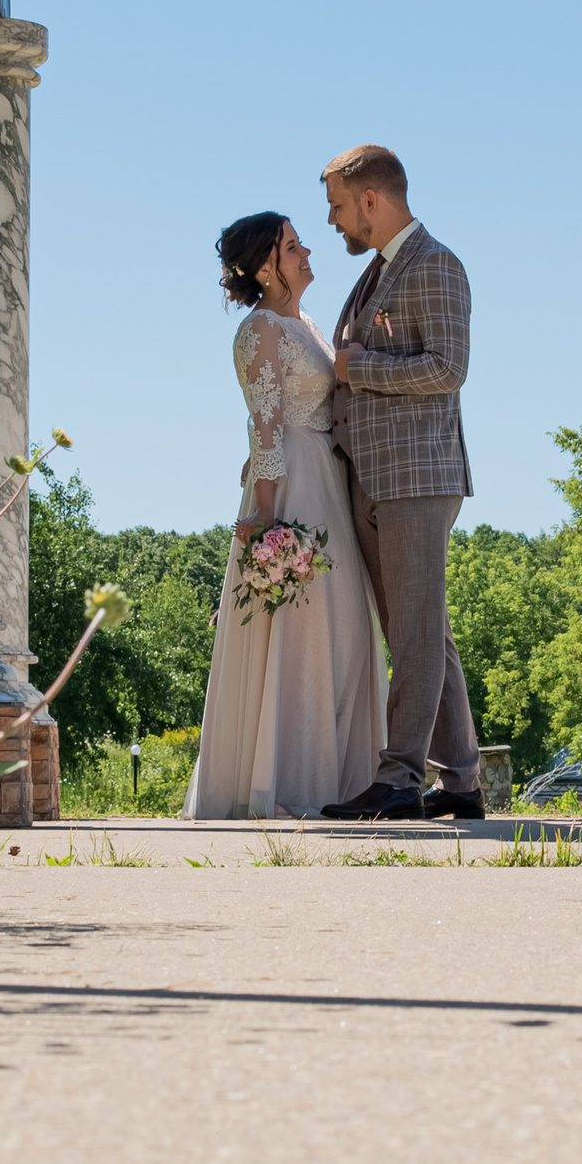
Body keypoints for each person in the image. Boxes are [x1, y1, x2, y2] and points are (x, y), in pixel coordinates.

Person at [184, 213, 387, 819]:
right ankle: (292, 784)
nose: (306, 252)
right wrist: (269, 516)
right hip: (293, 487)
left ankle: (344, 781)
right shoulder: (260, 330)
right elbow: (266, 424)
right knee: (302, 632)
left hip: (329, 481)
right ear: (267, 268)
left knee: (346, 632)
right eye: (293, 246)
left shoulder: (309, 326)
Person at [315, 144, 485, 820]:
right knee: (423, 634)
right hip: (377, 478)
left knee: (414, 636)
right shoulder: (376, 272)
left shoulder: (436, 264)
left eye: (337, 206)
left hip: (416, 476)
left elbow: (448, 367)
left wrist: (359, 368)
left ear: (370, 200)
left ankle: (399, 779)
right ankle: (462, 782)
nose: (332, 221)